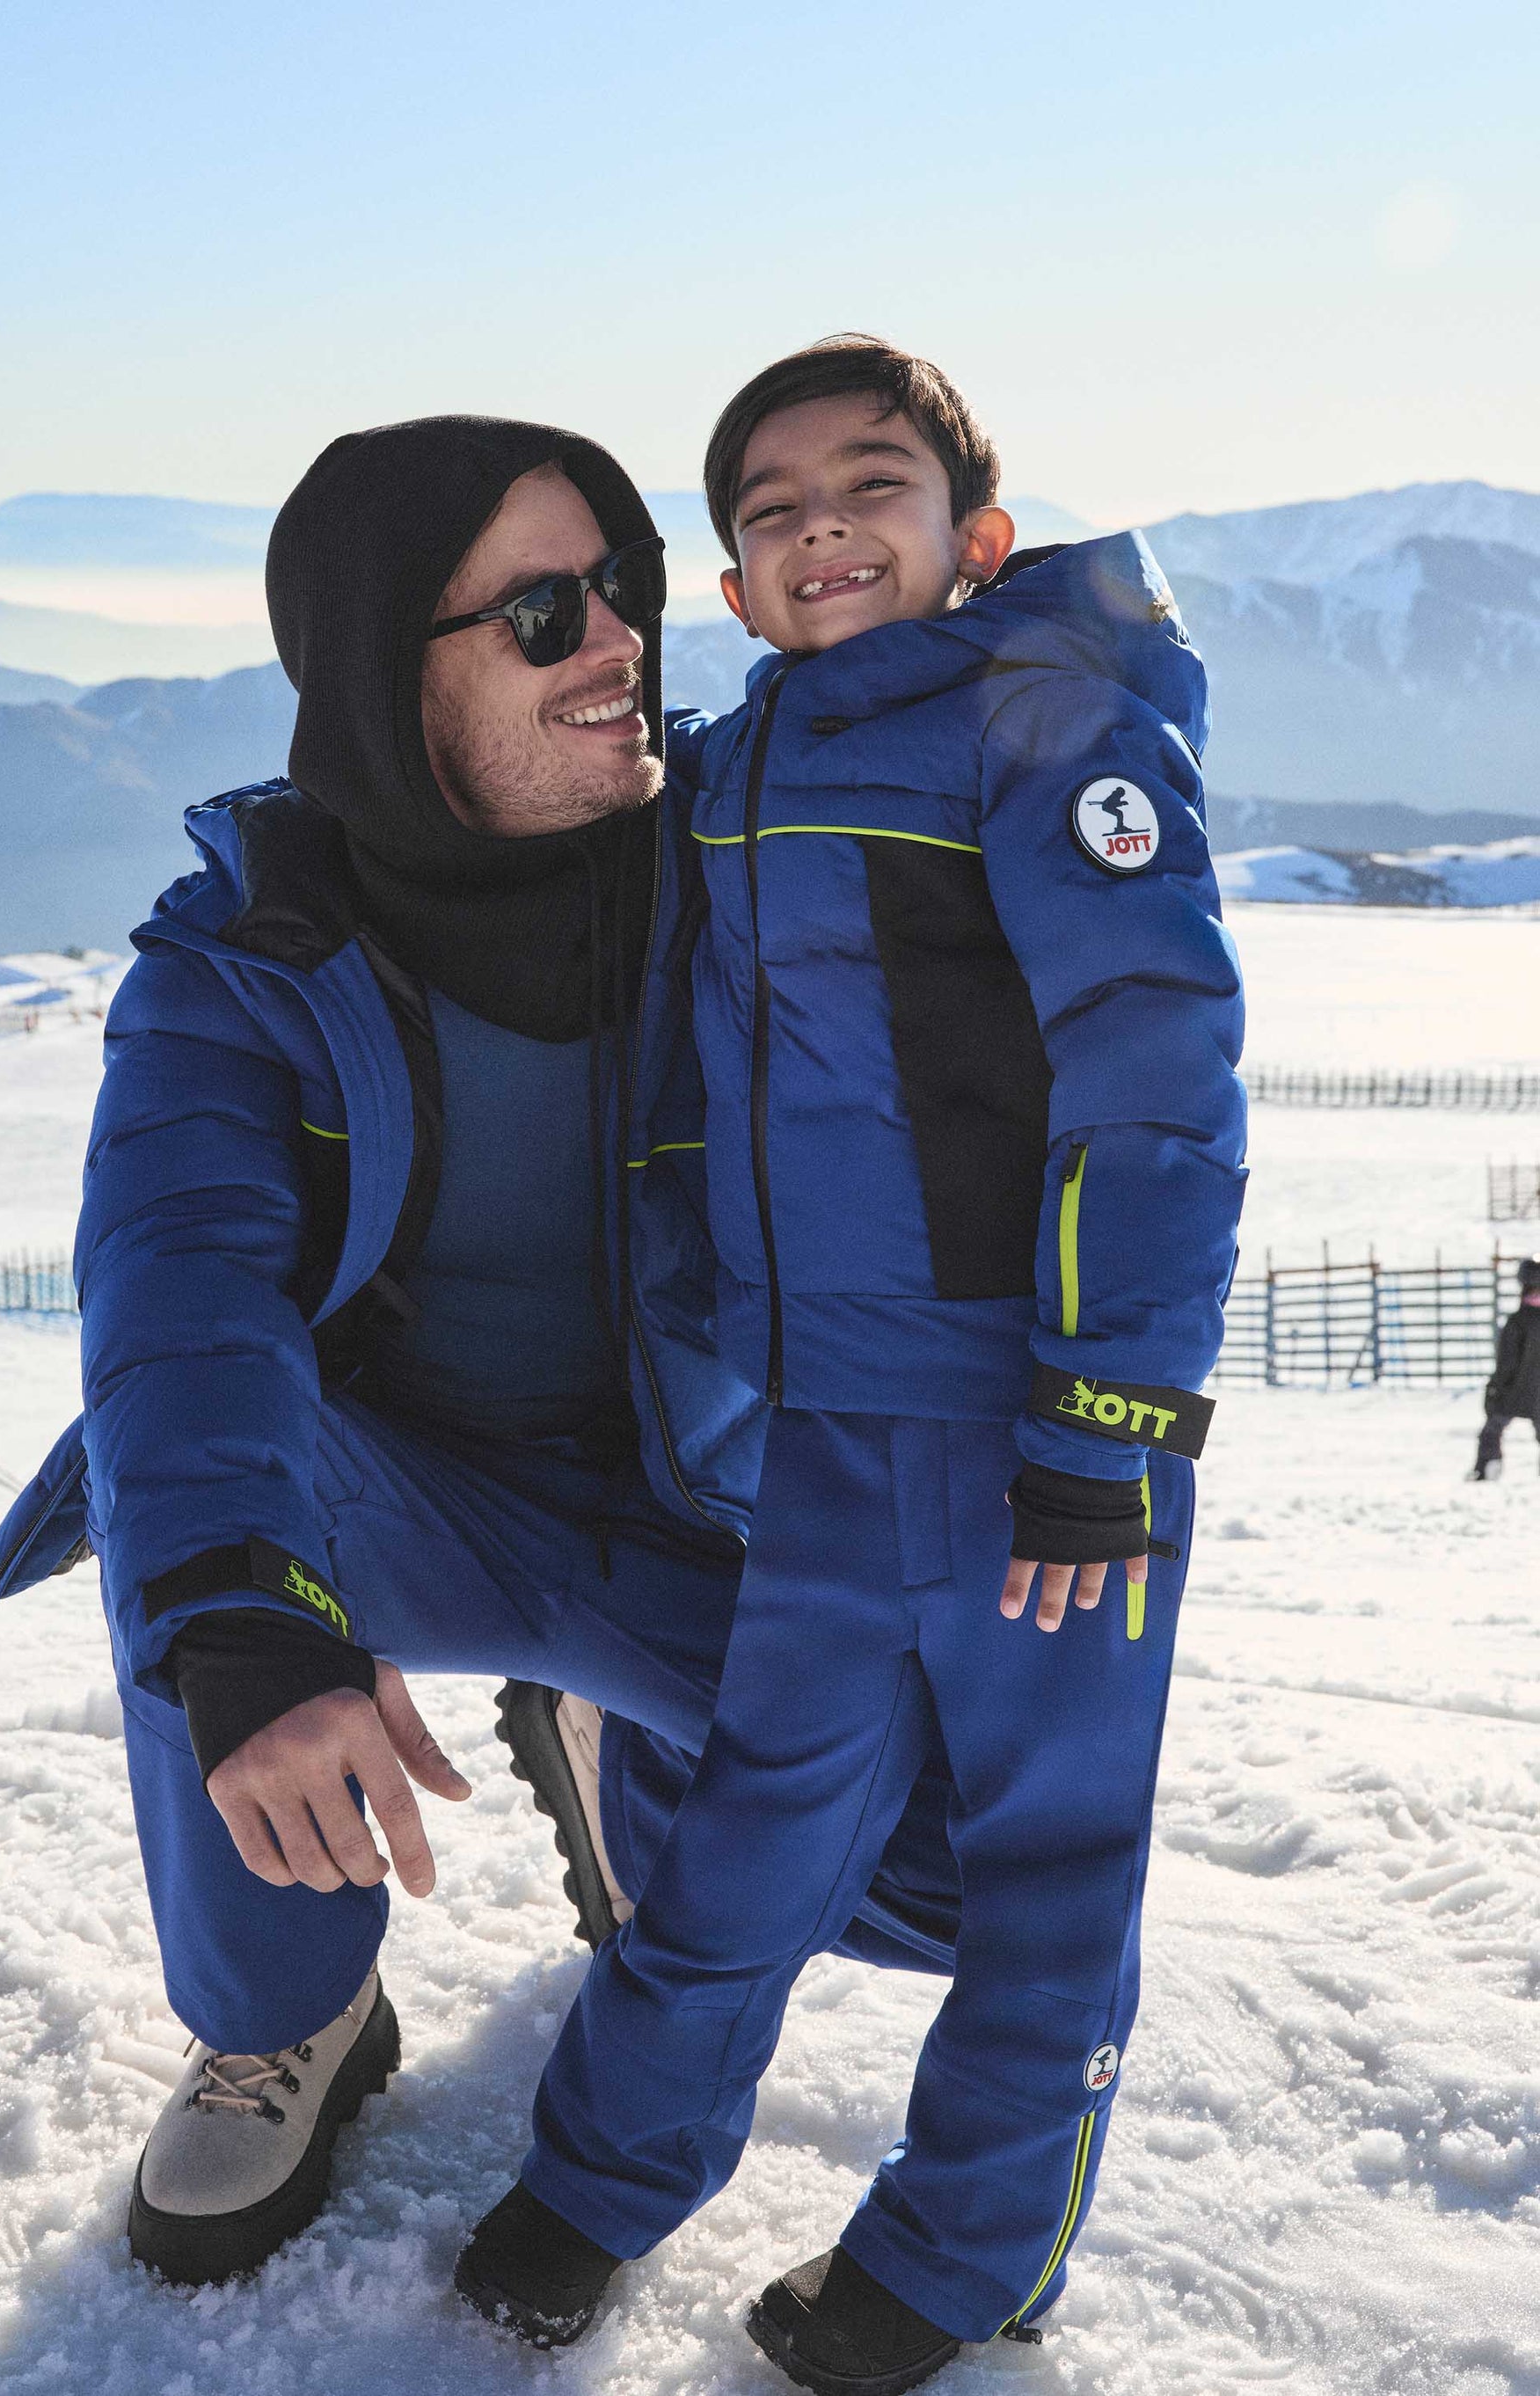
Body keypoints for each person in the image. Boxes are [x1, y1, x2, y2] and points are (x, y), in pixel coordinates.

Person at [0, 418, 972, 2293]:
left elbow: (984, 732)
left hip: (696, 1502)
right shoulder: (246, 960)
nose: (616, 642)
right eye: (537, 613)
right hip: (391, 1494)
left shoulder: (747, 851)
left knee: (964, 1872)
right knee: (189, 1524)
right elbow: (182, 1293)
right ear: (384, 672)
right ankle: (287, 2011)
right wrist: (253, 1627)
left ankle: (626, 1761)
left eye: (623, 588)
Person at [459, 338, 1246, 2388]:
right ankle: (597, 2184)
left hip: (1041, 1436)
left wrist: (1105, 1420)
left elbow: (1156, 1086)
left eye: (871, 485)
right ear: (733, 588)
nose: (823, 526)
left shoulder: (1048, 732)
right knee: (750, 1827)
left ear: (978, 536)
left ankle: (961, 2260)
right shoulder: (741, 766)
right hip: (824, 1434)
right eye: (773, 507)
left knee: (1043, 1862)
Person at [1471, 1254, 1540, 1478]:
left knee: (1493, 1427)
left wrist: (1496, 1386)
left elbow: (1507, 1362)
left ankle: (1489, 1464)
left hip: (1515, 1389)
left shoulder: (1517, 1322)